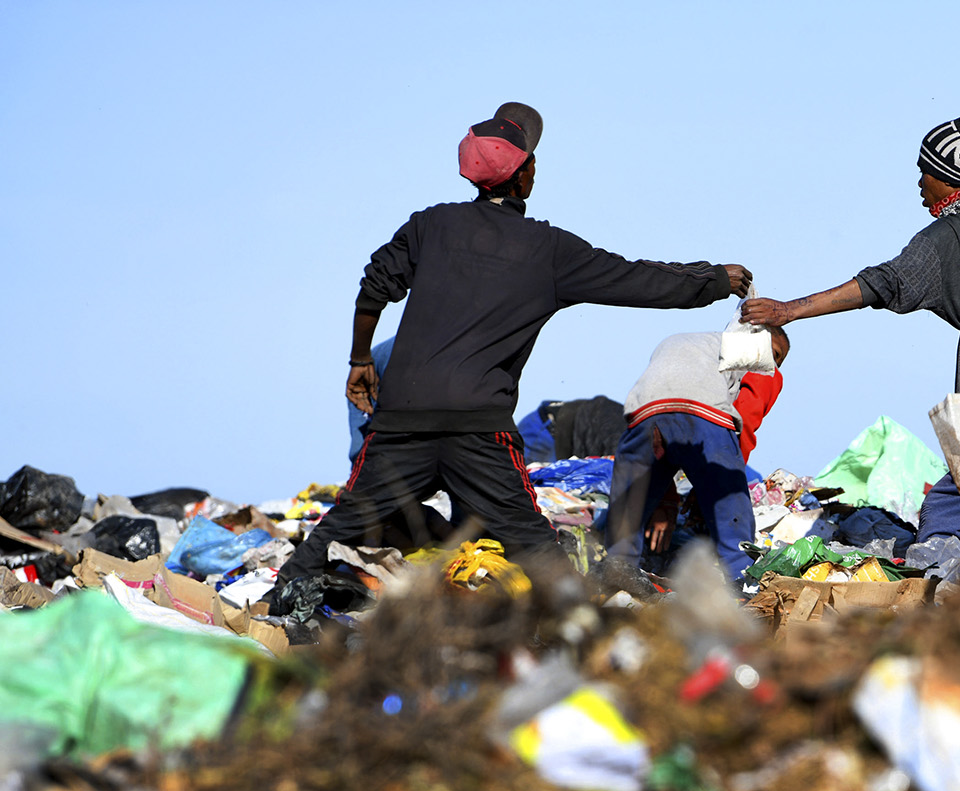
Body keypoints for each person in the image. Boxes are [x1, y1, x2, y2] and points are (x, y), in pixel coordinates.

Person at [268, 103, 751, 607]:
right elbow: (635, 278)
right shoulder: (547, 249)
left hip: (402, 421)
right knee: (534, 542)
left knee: (346, 522)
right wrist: (715, 278)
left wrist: (359, 360)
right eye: (533, 161)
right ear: (523, 175)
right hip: (479, 430)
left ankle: (274, 606)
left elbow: (374, 286)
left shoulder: (429, 226)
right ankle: (583, 625)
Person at [740, 112, 960, 548]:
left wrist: (790, 310)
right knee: (957, 511)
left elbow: (882, 283)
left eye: (925, 171)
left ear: (951, 177)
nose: (919, 182)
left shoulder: (947, 238)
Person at [600, 327, 790, 586]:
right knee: (732, 515)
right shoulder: (759, 358)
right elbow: (745, 421)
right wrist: (718, 489)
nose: (775, 364)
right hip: (703, 414)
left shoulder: (686, 342)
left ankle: (614, 581)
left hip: (643, 413)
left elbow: (664, 434)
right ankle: (743, 585)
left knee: (627, 512)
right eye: (777, 354)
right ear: (759, 338)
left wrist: (665, 503)